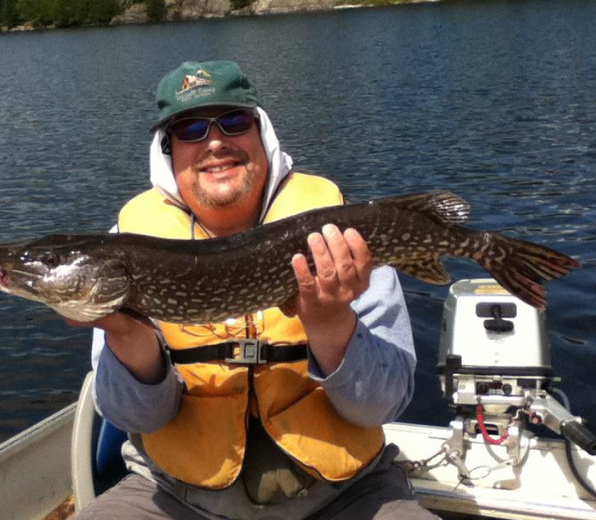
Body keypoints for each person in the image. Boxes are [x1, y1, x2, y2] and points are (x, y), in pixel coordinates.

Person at [70, 60, 438, 520]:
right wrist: (128, 336)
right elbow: (139, 421)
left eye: (234, 121)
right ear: (167, 151)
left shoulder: (337, 236)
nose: (216, 142)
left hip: (348, 494)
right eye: (191, 129)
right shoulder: (124, 252)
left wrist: (330, 324)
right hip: (175, 497)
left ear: (261, 132)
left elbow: (381, 405)